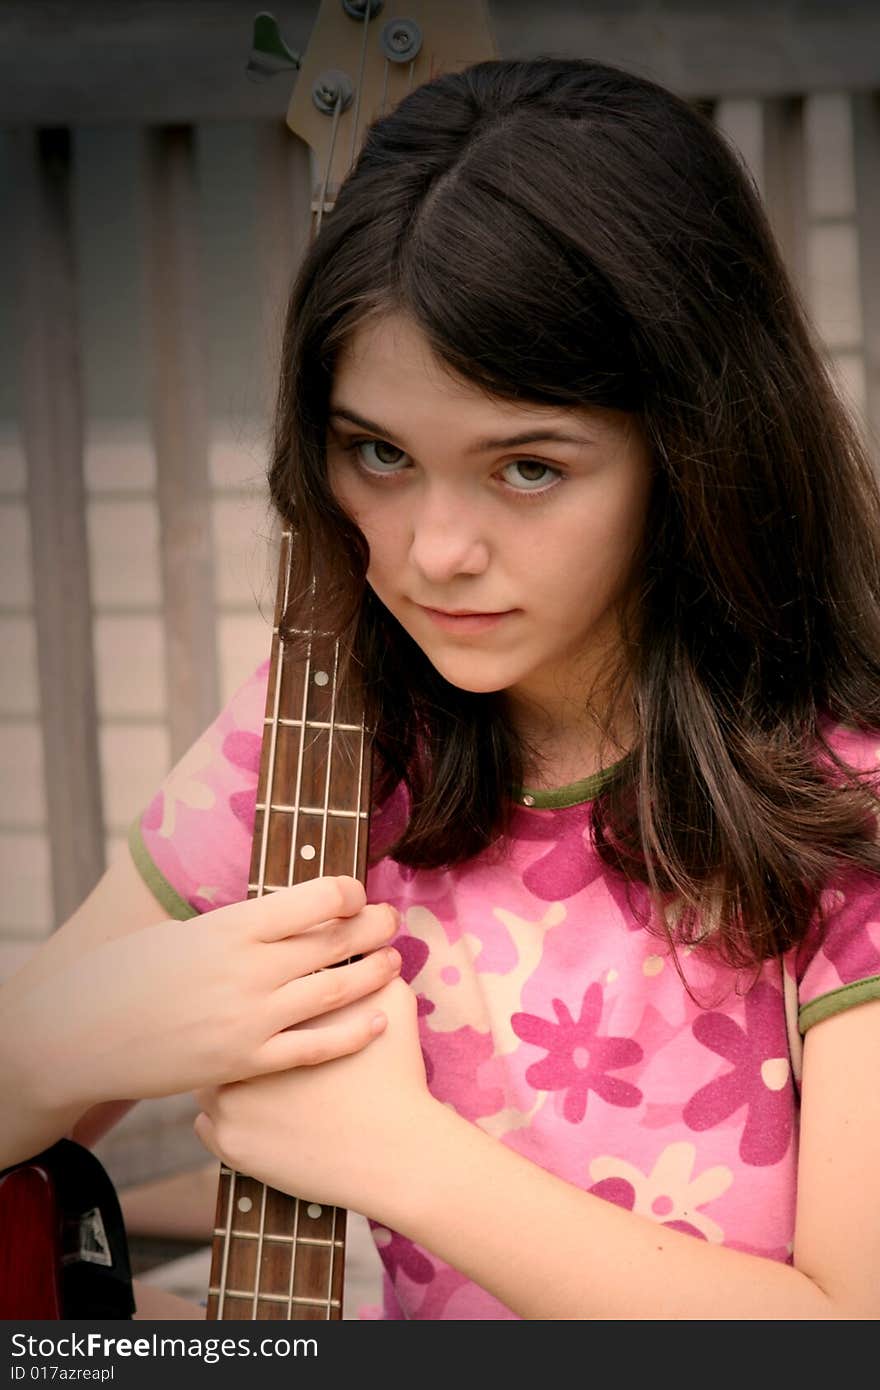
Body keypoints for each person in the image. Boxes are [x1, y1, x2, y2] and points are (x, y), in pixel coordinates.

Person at [3, 56, 880, 1321]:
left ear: (695, 447)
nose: (432, 551)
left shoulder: (841, 796)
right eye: (378, 453)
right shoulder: (321, 732)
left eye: (526, 467)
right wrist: (65, 1043)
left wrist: (398, 1159)